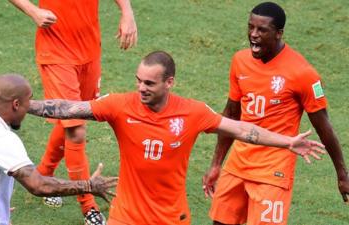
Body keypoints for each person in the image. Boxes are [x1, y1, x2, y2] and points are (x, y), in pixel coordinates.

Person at [27, 51, 325, 225]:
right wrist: (24, 106)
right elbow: (69, 107)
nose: (141, 88)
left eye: (149, 83)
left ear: (169, 83)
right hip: (125, 217)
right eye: (138, 81)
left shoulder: (192, 113)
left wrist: (286, 142)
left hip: (171, 218)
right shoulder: (120, 105)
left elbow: (243, 129)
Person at [202, 2, 349, 225]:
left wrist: (342, 174)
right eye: (250, 27)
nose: (253, 35)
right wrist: (216, 164)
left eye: (262, 30)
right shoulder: (240, 61)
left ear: (279, 33)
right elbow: (231, 115)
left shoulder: (302, 73)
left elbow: (324, 126)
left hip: (273, 171)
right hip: (238, 163)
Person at [8, 0, 137, 221]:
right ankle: (88, 205)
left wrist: (127, 12)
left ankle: (44, 175)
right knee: (76, 129)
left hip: (89, 51)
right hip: (56, 52)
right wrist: (33, 11)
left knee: (70, 120)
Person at [0, 74, 117, 225]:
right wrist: (88, 185)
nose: (29, 107)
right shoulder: (1, 139)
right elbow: (38, 185)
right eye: (29, 102)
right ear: (16, 104)